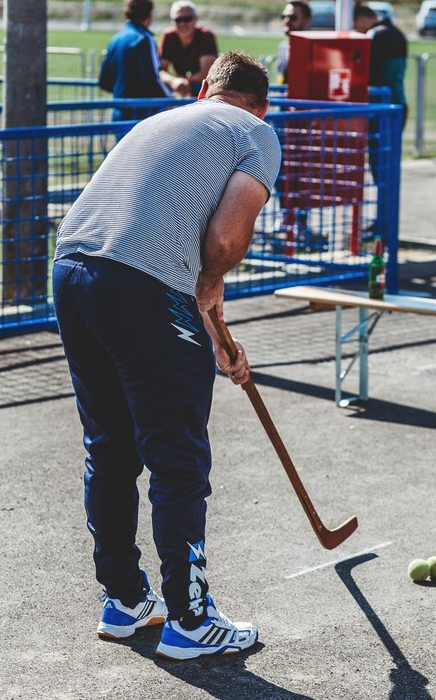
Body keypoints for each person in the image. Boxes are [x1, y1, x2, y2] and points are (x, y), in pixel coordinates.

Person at [53, 52, 282, 661]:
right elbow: (224, 242)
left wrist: (216, 331)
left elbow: (178, 249)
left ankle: (125, 600)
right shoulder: (257, 133)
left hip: (73, 273)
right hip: (142, 289)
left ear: (207, 87)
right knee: (177, 457)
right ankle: (190, 619)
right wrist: (207, 296)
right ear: (262, 103)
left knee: (110, 447)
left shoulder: (166, 121)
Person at [98, 0, 172, 121]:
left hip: (119, 112)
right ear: (149, 15)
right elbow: (153, 78)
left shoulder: (116, 38)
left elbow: (104, 81)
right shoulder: (144, 38)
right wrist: (170, 100)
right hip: (142, 115)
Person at [353, 3, 408, 125]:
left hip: (379, 106)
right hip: (399, 103)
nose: (356, 30)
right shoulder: (397, 33)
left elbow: (364, 70)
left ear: (361, 19)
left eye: (354, 26)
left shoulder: (375, 35)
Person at [158, 0, 219, 97]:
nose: (182, 23)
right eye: (178, 19)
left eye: (187, 19)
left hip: (205, 90)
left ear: (195, 19)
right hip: (181, 85)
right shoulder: (168, 36)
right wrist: (174, 81)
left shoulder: (206, 36)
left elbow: (206, 73)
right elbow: (160, 71)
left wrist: (184, 81)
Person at [276, 0, 312, 84]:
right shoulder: (283, 45)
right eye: (284, 16)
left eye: (293, 17)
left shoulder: (312, 48)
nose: (286, 21)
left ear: (306, 21)